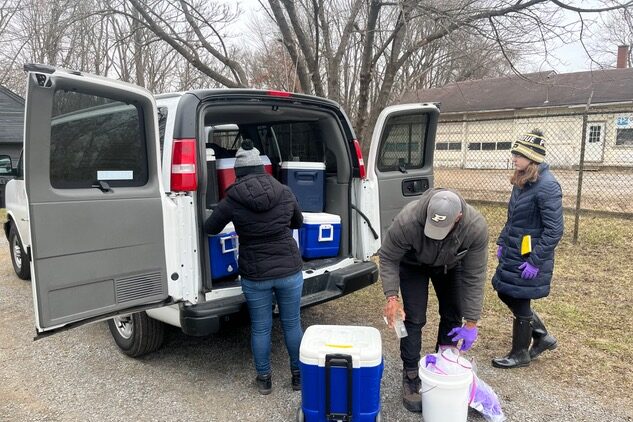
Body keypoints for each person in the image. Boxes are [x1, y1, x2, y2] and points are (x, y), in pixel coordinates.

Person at [204, 139, 304, 394]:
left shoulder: (232, 199)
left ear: (238, 172)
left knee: (261, 327)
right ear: (261, 168)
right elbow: (298, 223)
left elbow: (210, 228)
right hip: (289, 269)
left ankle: (264, 380)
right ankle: (298, 377)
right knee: (292, 323)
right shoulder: (284, 191)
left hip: (255, 273)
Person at [379, 188, 489, 413]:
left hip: (451, 266)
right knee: (414, 318)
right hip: (414, 265)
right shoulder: (407, 220)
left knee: (452, 315)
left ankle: (443, 365)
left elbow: (474, 275)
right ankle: (410, 374)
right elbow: (389, 257)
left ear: (458, 218)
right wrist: (392, 296)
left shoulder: (475, 227)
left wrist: (472, 321)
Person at [492, 129, 564, 369]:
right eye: (514, 154)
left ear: (533, 158)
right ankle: (542, 336)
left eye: (518, 155)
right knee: (504, 290)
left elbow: (554, 230)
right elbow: (513, 218)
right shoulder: (523, 180)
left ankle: (520, 353)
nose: (514, 158)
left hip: (528, 255)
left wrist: (535, 261)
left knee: (519, 298)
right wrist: (502, 241)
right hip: (514, 249)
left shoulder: (547, 186)